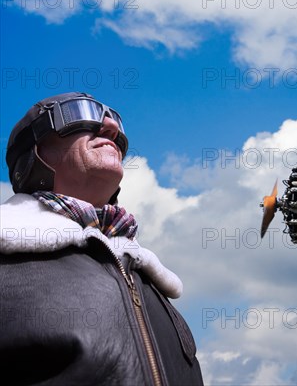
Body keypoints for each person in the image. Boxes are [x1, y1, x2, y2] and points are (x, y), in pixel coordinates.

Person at [0, 92, 204, 385]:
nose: (112, 127)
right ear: (35, 151)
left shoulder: (155, 286)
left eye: (116, 120)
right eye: (80, 112)